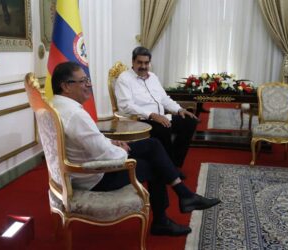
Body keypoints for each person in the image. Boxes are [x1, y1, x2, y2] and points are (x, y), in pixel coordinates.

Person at [51, 62, 221, 236]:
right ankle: (163, 219)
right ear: (66, 86)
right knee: (154, 165)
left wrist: (112, 142)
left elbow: (88, 139)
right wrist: (122, 150)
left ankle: (184, 195)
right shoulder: (77, 114)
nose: (89, 85)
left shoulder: (56, 105)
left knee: (153, 144)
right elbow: (106, 155)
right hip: (93, 177)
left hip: (76, 170)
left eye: (88, 80)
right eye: (83, 81)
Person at [114, 46, 197, 172]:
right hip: (140, 120)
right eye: (139, 62)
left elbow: (164, 99)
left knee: (189, 121)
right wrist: (152, 115)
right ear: (132, 61)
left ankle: (174, 163)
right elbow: (126, 106)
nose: (143, 66)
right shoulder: (124, 79)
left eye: (146, 63)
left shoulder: (153, 77)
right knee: (164, 127)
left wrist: (179, 109)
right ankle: (169, 169)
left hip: (161, 117)